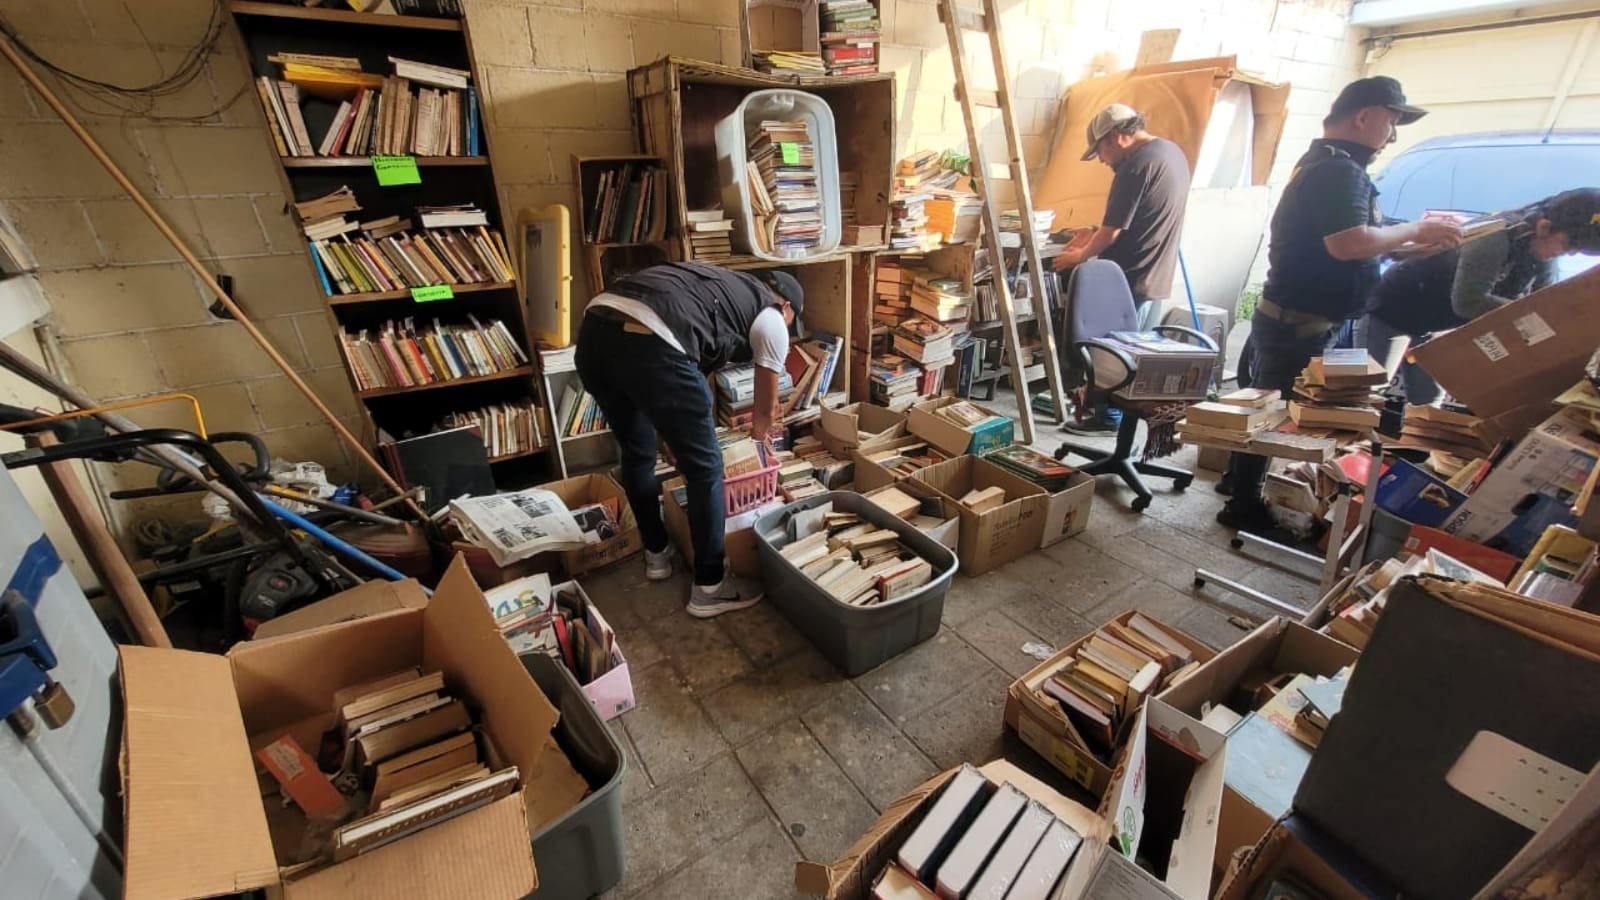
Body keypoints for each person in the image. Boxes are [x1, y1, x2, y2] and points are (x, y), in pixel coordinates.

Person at [1218, 76, 1465, 534]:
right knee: (1270, 416)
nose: (1392, 136)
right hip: (1299, 323)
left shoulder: (1332, 165)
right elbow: (1348, 243)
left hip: (1303, 317)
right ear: (1365, 115)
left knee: (1267, 408)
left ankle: (1239, 482)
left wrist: (1407, 246)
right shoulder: (1337, 170)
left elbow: (1353, 239)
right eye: (1391, 122)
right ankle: (1242, 506)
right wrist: (1413, 231)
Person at [574, 262, 803, 618]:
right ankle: (711, 586)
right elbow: (764, 409)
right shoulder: (772, 316)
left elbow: (676, 380)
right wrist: (757, 450)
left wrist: (671, 434)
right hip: (652, 340)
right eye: (793, 323)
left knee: (638, 453)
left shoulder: (723, 286)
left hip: (595, 334)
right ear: (786, 306)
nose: (788, 330)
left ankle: (657, 555)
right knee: (705, 469)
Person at [1359, 187, 1600, 405]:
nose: (1568, 254)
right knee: (1365, 392)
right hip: (1396, 310)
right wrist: (1528, 319)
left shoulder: (1542, 253)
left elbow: (1542, 305)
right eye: (1568, 246)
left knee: (1428, 404)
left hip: (1441, 324)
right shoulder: (1495, 236)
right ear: (1544, 227)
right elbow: (1468, 301)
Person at [1052, 103, 1192, 434]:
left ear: (1116, 137)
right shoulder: (1170, 152)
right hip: (1155, 271)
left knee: (1113, 355)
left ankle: (1108, 419)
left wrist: (1079, 256)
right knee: (1132, 353)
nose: (1102, 159)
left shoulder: (1135, 166)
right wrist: (1092, 230)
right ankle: (1114, 418)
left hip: (1130, 276)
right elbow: (1133, 220)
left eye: (1100, 150)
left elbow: (1114, 231)